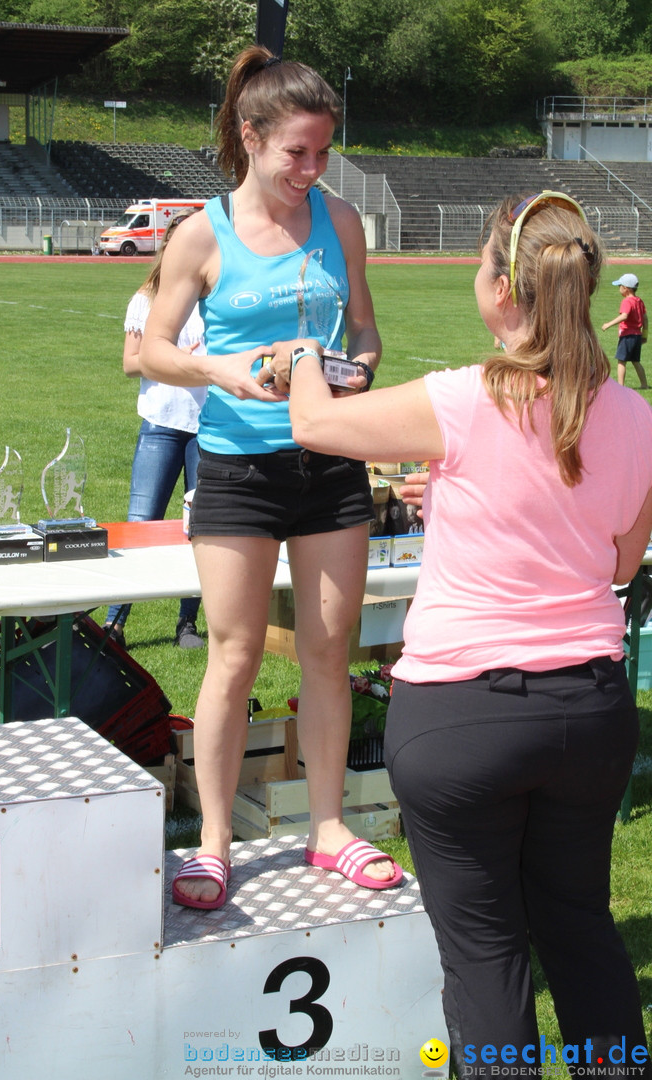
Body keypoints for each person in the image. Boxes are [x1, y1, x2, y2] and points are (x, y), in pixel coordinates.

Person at [283, 192, 652, 1075]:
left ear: (500, 290)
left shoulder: (460, 400)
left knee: (487, 953)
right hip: (588, 710)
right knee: (580, 930)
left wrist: (302, 355)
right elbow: (618, 564)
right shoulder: (636, 416)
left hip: (460, 713)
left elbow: (313, 423)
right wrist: (454, 492)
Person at [140, 45, 403, 910]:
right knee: (235, 655)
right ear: (250, 137)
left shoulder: (341, 223)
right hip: (236, 466)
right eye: (298, 152)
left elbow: (365, 333)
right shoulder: (201, 232)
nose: (314, 169)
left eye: (324, 152)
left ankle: (328, 829)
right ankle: (213, 844)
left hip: (330, 461)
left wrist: (355, 369)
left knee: (330, 656)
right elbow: (145, 350)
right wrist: (222, 369)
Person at [104, 209, 207, 651]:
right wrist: (175, 359)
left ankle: (188, 623)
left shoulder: (215, 299)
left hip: (210, 430)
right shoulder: (146, 299)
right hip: (161, 426)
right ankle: (114, 623)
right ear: (169, 247)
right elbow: (129, 363)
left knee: (202, 529)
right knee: (140, 524)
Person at [602, 271, 649, 389]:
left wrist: (608, 324)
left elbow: (624, 316)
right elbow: (645, 319)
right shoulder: (639, 301)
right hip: (637, 335)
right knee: (635, 361)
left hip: (627, 335)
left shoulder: (627, 301)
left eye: (620, 287)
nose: (619, 289)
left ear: (626, 288)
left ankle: (620, 386)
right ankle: (644, 384)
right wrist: (644, 335)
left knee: (621, 361)